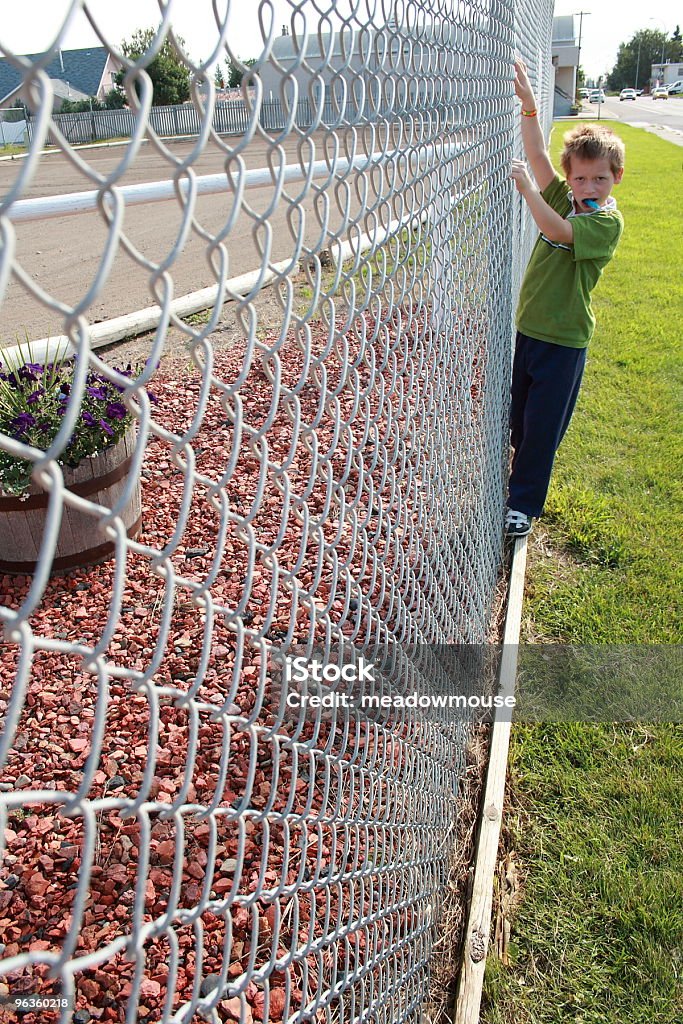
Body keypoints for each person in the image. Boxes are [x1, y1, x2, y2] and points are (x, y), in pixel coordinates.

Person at [505, 58, 625, 538]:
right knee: (519, 419)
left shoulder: (604, 222)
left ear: (617, 177)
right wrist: (531, 108)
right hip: (530, 329)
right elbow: (537, 156)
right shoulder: (566, 197)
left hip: (564, 340)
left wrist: (529, 193)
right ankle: (515, 482)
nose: (589, 187)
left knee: (541, 431)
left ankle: (523, 506)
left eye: (600, 178)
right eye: (580, 179)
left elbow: (556, 230)